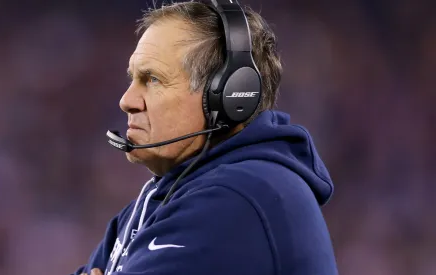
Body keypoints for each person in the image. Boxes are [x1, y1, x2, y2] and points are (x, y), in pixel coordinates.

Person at [73, 1, 338, 274]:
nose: (126, 101)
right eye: (133, 79)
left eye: (152, 79)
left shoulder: (236, 198)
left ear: (227, 94)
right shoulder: (159, 199)